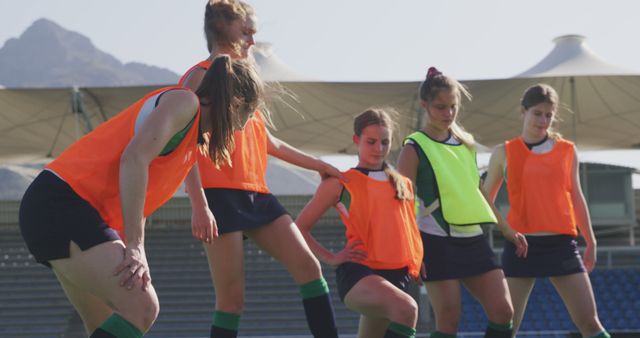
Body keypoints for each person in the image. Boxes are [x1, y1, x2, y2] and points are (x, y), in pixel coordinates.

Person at [18, 55, 263, 338]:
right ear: (234, 102)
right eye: (248, 113)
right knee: (142, 307)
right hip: (60, 204)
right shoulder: (185, 103)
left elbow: (139, 192)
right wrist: (135, 246)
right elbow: (133, 158)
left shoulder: (192, 141)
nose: (244, 126)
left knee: (106, 323)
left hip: (64, 209)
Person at [180, 1, 340, 337]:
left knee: (310, 270)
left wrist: (320, 165)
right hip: (217, 197)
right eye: (247, 31)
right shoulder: (200, 76)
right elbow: (184, 144)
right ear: (223, 27)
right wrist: (198, 204)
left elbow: (269, 142)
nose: (252, 40)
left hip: (258, 195)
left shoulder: (245, 78)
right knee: (231, 301)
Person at [396, 67, 528, 338]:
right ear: (425, 106)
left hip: (474, 239)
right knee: (448, 321)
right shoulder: (413, 147)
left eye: (453, 107)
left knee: (504, 313)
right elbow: (402, 206)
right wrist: (413, 252)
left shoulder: (466, 144)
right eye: (440, 107)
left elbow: (478, 190)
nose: (448, 113)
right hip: (435, 241)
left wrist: (506, 229)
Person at [482, 84, 610, 338]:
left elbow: (576, 196)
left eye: (549, 115)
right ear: (523, 111)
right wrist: (505, 231)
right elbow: (485, 200)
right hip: (521, 248)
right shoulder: (503, 153)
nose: (543, 120)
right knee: (506, 327)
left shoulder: (567, 150)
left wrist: (591, 240)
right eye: (537, 113)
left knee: (590, 323)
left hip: (562, 246)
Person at [296, 108, 423, 338]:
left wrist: (419, 260)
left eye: (385, 142)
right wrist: (331, 257)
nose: (379, 148)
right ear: (356, 140)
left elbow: (409, 228)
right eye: (371, 142)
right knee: (407, 309)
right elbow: (299, 228)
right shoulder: (341, 182)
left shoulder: (403, 183)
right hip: (360, 274)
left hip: (398, 276)